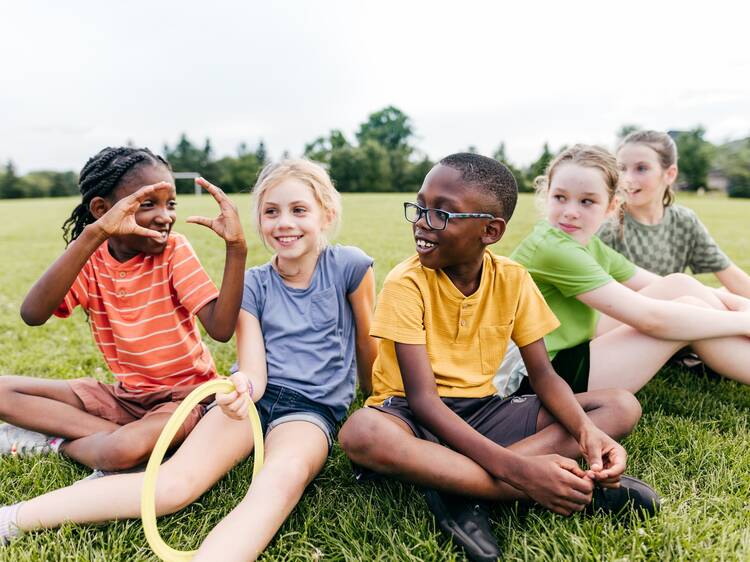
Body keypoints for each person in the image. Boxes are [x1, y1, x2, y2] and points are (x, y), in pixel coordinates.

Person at [1, 159, 377, 562]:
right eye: (271, 211)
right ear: (259, 219)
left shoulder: (350, 266)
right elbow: (252, 368)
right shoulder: (253, 283)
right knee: (172, 485)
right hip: (246, 400)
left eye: (299, 210)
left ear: (326, 214)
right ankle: (13, 518)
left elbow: (367, 341)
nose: (284, 223)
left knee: (282, 478)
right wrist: (243, 388)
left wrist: (372, 396)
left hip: (310, 411)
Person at [338, 153, 659, 562]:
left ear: (490, 231)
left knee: (619, 406)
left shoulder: (513, 279)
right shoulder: (407, 283)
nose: (422, 222)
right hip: (411, 416)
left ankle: (460, 488)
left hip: (484, 410)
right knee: (362, 431)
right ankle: (530, 486)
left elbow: (543, 375)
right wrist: (518, 470)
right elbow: (423, 400)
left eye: (442, 213)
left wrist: (585, 432)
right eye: (420, 207)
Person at [0, 146, 247, 472]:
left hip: (184, 398)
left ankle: (60, 443)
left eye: (170, 204)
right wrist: (94, 233)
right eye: (148, 204)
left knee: (119, 451)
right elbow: (33, 314)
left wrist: (236, 248)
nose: (165, 216)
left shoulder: (174, 250)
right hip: (126, 398)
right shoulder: (90, 258)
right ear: (102, 209)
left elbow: (221, 329)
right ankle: (118, 439)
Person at [506, 144, 750, 398]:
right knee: (687, 311)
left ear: (611, 206)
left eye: (587, 201)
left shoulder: (589, 244)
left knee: (680, 285)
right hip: (535, 375)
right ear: (547, 195)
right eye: (560, 197)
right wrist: (743, 321)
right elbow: (650, 319)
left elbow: (665, 284)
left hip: (566, 351)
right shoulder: (553, 248)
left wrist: (739, 303)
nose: (570, 212)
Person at [597, 130, 750, 298]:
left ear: (670, 174)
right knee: (695, 300)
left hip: (674, 306)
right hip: (625, 310)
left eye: (641, 168)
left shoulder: (684, 221)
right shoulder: (608, 225)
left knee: (728, 294)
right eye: (622, 169)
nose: (627, 178)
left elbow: (731, 275)